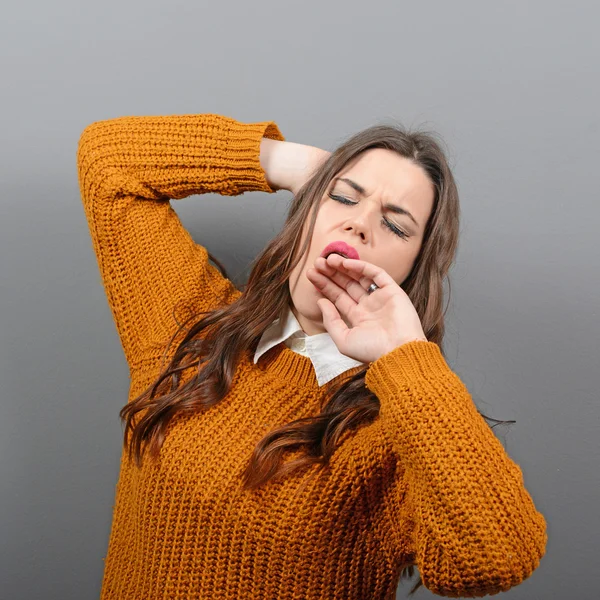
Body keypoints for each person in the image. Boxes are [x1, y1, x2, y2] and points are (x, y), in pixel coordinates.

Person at [76, 113, 547, 599]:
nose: (359, 223)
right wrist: (299, 166)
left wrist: (406, 357)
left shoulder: (404, 424)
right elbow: (109, 160)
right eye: (343, 197)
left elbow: (498, 556)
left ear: (412, 269)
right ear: (306, 214)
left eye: (393, 224)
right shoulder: (189, 320)